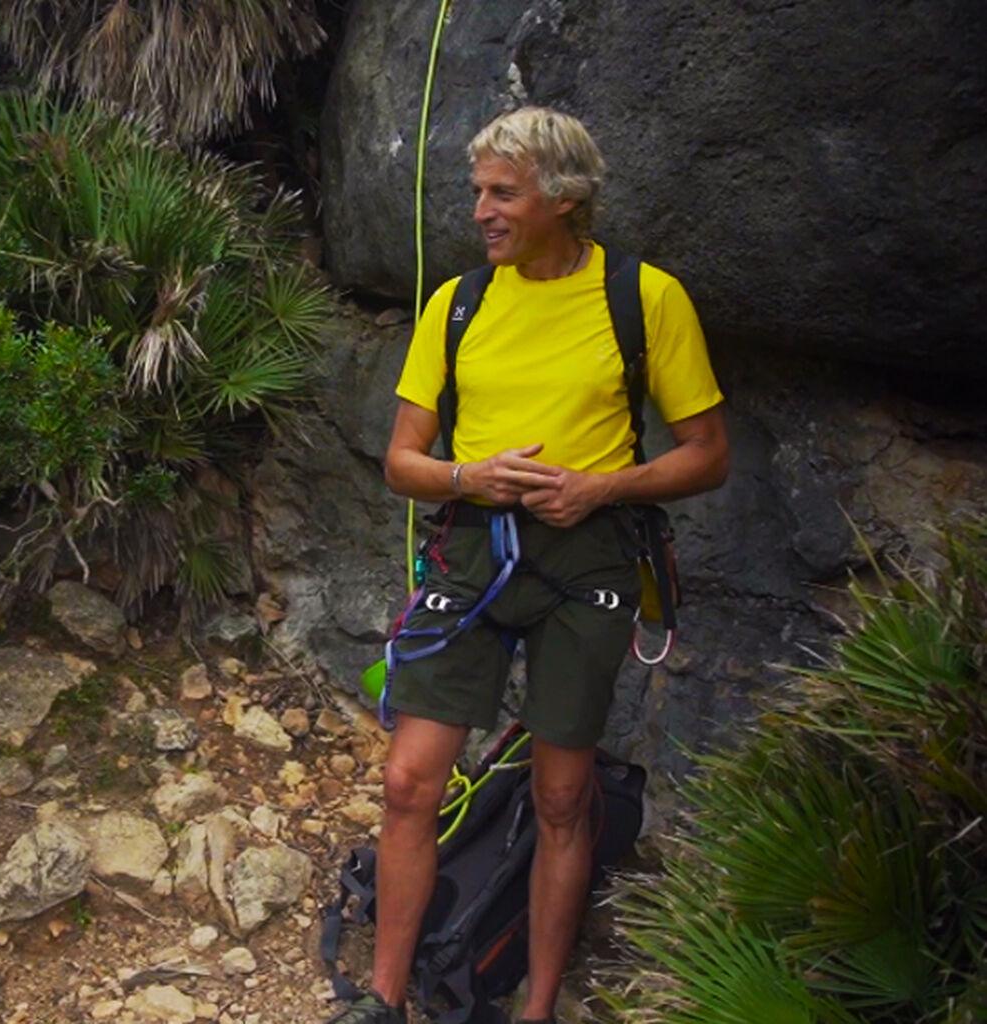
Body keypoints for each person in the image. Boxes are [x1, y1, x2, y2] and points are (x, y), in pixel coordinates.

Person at [328, 108, 729, 1024]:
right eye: (478, 192)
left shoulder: (644, 298)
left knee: (560, 796)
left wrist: (601, 488)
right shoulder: (459, 303)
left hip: (588, 557)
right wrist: (472, 473)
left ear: (564, 199)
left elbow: (707, 453)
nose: (481, 211)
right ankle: (383, 1002)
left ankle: (536, 1007)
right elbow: (403, 460)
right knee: (406, 781)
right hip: (473, 548)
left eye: (502, 193)